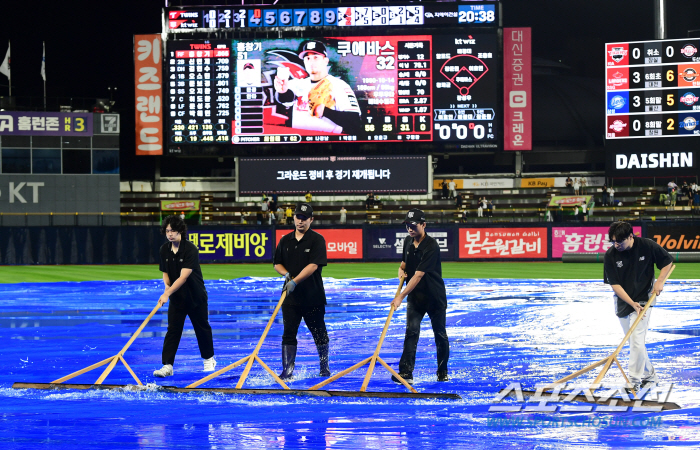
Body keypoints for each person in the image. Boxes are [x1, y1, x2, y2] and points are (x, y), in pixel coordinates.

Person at [603, 221, 673, 391]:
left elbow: (667, 262)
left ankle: (633, 381)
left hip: (644, 300)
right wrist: (631, 303)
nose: (616, 245)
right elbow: (615, 285)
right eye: (613, 241)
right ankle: (650, 376)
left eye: (620, 241)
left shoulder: (647, 246)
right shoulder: (611, 255)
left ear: (631, 236)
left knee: (636, 341)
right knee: (637, 343)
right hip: (624, 302)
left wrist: (660, 281)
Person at [392, 209, 449, 384]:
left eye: (413, 225)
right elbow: (404, 265)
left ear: (423, 225)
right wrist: (401, 271)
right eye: (407, 225)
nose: (410, 229)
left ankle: (442, 372)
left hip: (434, 297)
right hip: (416, 298)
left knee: (439, 334)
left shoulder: (431, 246)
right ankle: (406, 373)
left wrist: (400, 296)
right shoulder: (408, 242)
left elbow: (418, 275)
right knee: (411, 332)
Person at [154, 215, 215, 377]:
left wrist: (167, 293)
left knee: (201, 328)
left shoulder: (190, 249)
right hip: (177, 298)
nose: (170, 234)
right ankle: (167, 365)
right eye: (167, 231)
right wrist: (167, 289)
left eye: (173, 230)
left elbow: (183, 277)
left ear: (180, 231)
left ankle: (209, 359)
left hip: (196, 297)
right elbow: (166, 274)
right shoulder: (164, 250)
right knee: (173, 330)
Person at [273, 203, 330, 381]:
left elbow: (313, 265)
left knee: (319, 332)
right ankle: (287, 371)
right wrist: (286, 274)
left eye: (304, 218)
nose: (300, 221)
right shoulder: (285, 240)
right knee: (288, 333)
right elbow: (277, 263)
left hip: (313, 296)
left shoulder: (317, 240)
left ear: (311, 220)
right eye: (298, 217)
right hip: (290, 298)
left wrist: (295, 281)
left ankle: (324, 368)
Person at [273, 40, 361, 135]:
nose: (311, 62)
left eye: (316, 57)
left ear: (325, 61)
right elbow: (286, 98)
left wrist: (326, 112)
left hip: (328, 144)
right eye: (308, 58)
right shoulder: (296, 84)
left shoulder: (339, 85)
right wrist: (282, 91)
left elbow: (355, 121)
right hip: (300, 144)